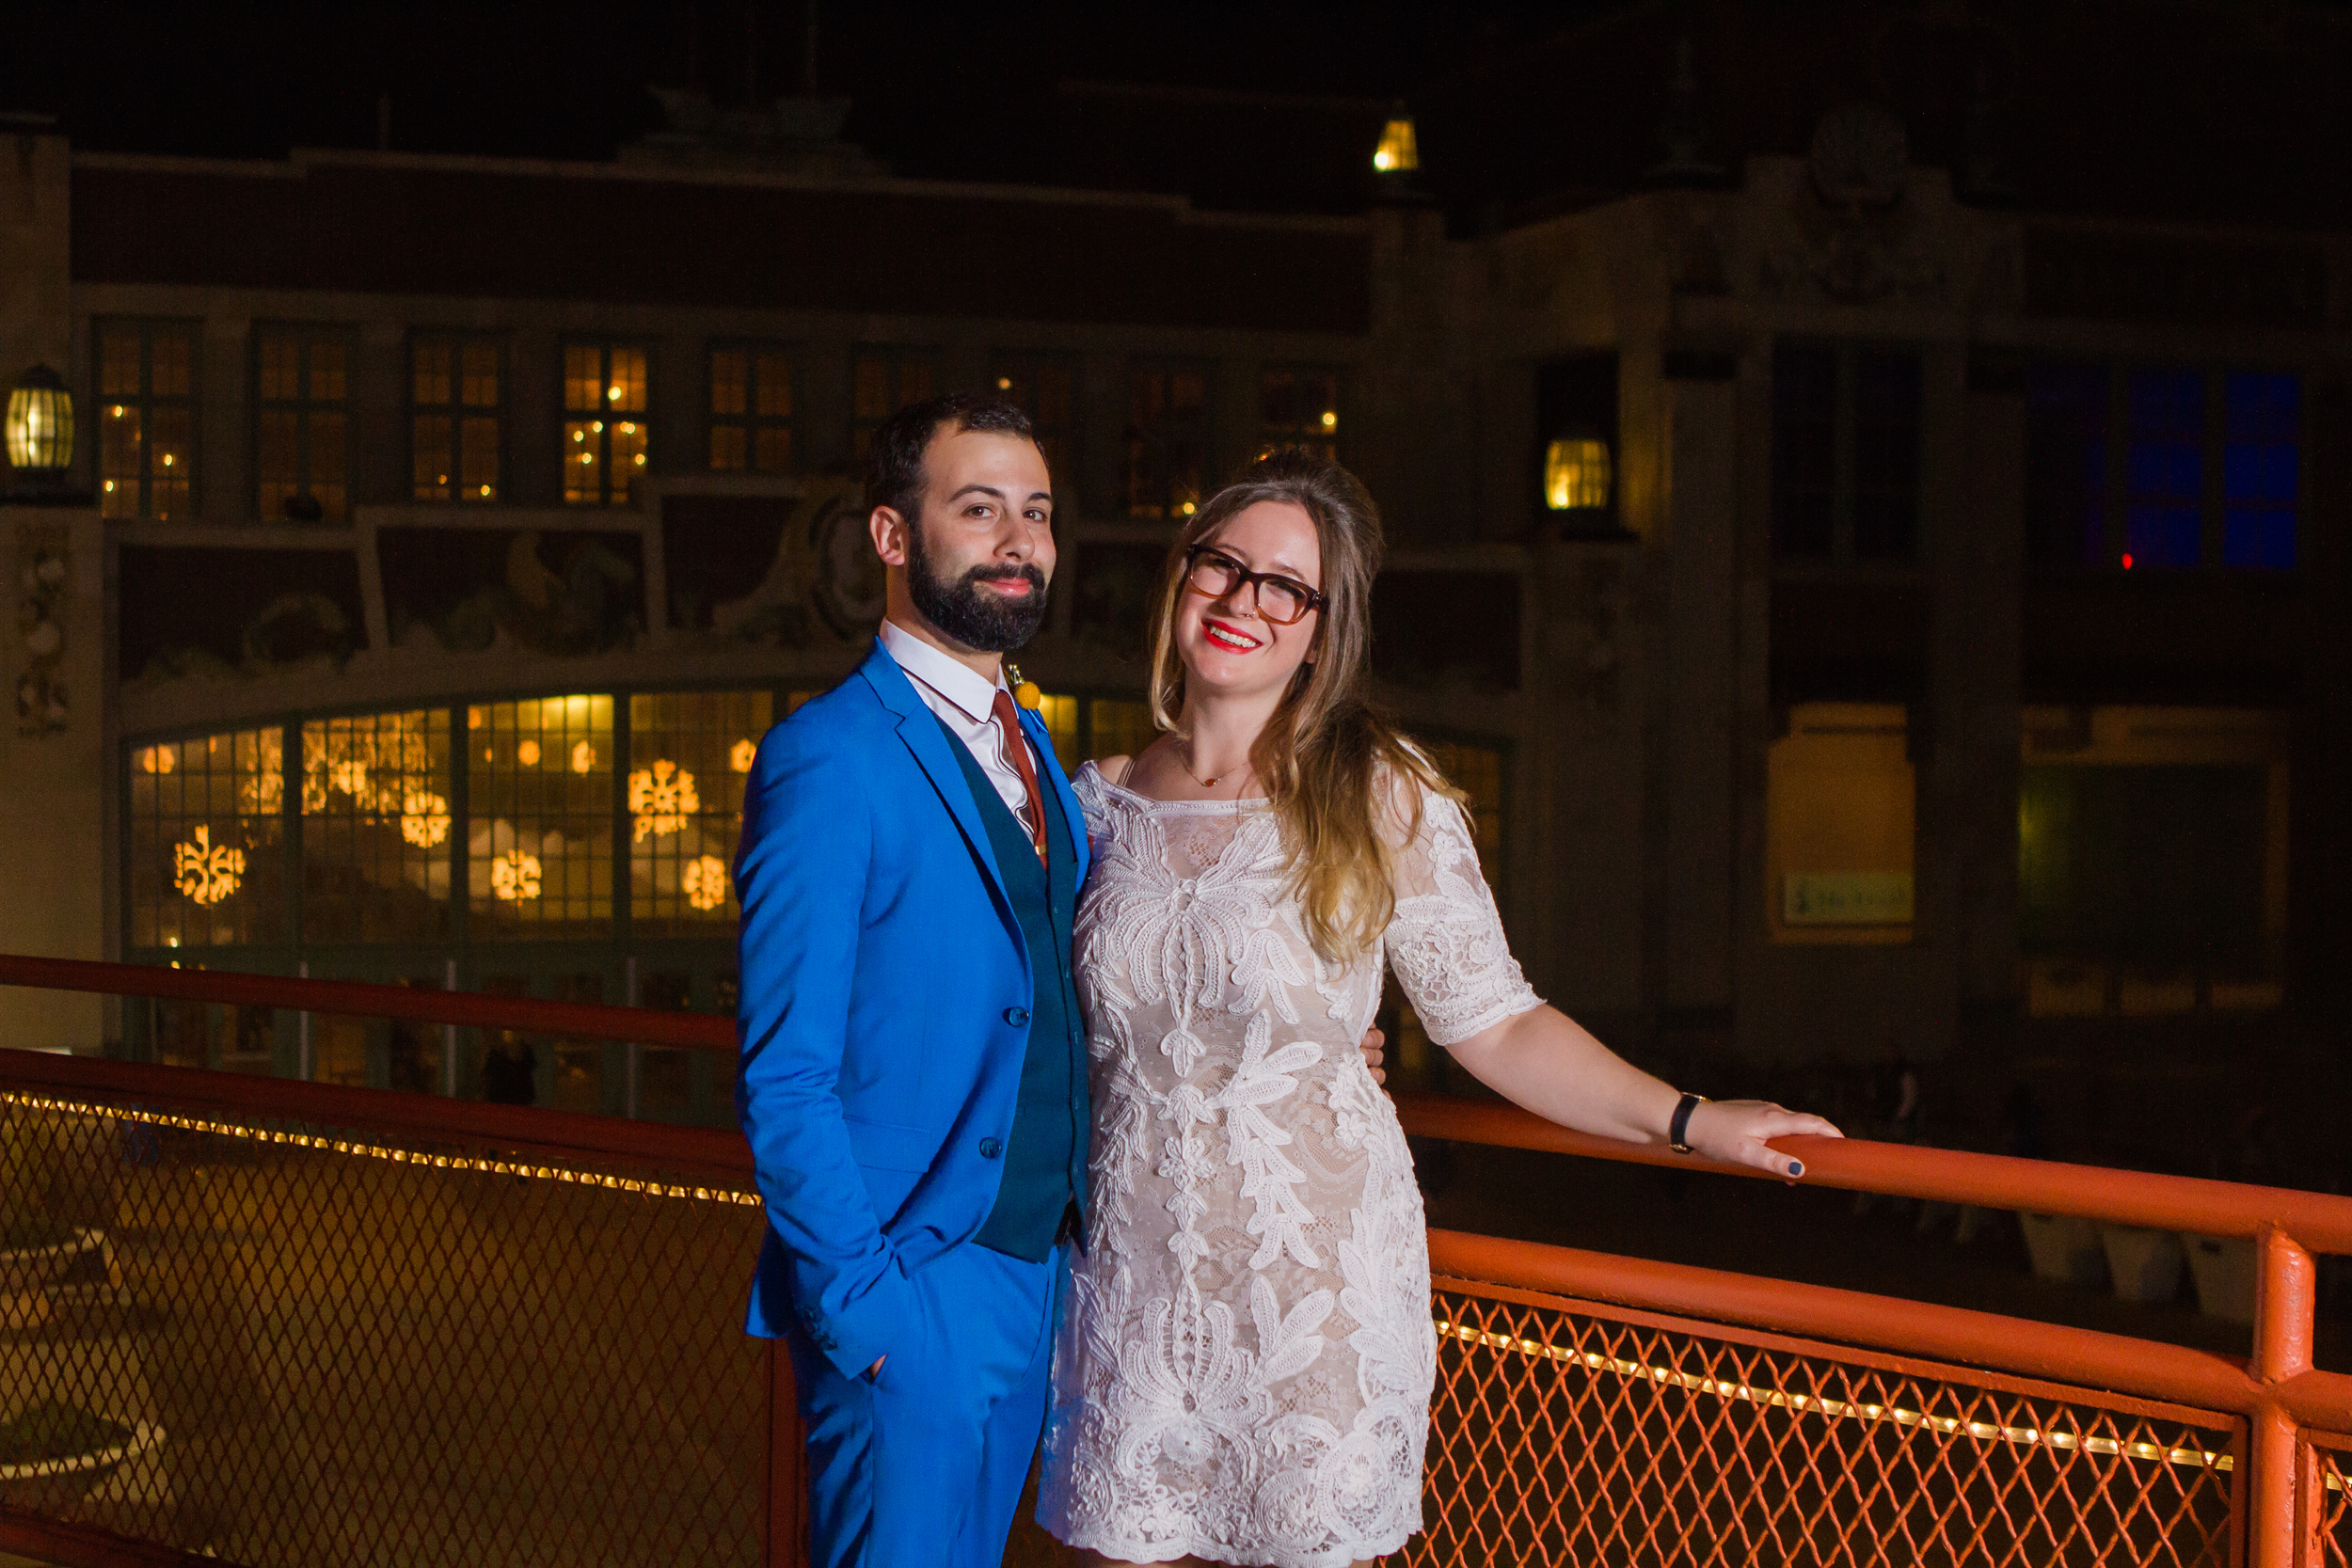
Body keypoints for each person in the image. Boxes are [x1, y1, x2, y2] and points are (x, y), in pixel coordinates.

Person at [1038, 451, 1840, 1568]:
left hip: (1309, 1289)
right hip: (1129, 1282)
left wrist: (1694, 1117)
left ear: (1323, 630)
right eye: (1222, 565)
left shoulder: (1377, 790)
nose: (1243, 601)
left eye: (1285, 585)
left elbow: (1498, 1021)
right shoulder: (1096, 804)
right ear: (1180, 578)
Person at [732, 394, 1381, 1568]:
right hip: (909, 1288)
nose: (1019, 540)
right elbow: (784, 1073)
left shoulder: (1037, 751)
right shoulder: (827, 757)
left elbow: (1081, 980)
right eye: (978, 510)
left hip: (1044, 1282)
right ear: (891, 536)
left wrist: (1320, 1036)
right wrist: (865, 1314)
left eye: (1035, 512)